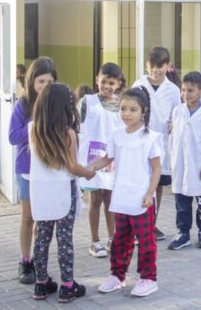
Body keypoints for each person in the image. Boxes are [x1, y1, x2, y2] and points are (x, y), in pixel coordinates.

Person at [29, 84, 96, 302]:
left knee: (41, 237)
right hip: (63, 192)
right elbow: (72, 166)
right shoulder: (67, 133)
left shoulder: (33, 129)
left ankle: (41, 283)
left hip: (39, 192)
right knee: (64, 238)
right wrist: (88, 172)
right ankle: (68, 285)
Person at [93, 87, 162, 298]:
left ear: (144, 111)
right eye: (123, 108)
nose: (127, 114)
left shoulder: (151, 137)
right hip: (121, 198)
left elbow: (157, 168)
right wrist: (88, 168)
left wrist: (150, 193)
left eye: (133, 109)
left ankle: (148, 278)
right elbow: (107, 158)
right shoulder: (116, 135)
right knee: (120, 239)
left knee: (145, 241)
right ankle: (117, 275)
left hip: (142, 200)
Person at [9, 56, 57, 284]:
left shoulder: (56, 104)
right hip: (27, 169)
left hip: (48, 170)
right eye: (41, 82)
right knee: (28, 217)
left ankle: (40, 261)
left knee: (43, 218)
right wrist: (34, 127)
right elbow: (12, 136)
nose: (44, 86)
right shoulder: (23, 104)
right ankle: (25, 260)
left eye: (49, 82)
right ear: (32, 82)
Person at [168, 72, 201, 250]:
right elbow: (172, 138)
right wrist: (170, 159)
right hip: (180, 164)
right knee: (181, 201)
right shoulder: (178, 112)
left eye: (190, 90)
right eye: (183, 90)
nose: (186, 94)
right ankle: (183, 232)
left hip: (199, 166)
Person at [133, 47, 180, 241]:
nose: (155, 71)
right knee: (140, 182)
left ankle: (152, 222)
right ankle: (137, 222)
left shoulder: (173, 90)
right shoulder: (139, 85)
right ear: (147, 66)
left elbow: (177, 114)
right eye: (152, 66)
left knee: (158, 183)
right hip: (141, 141)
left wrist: (173, 123)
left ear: (167, 66)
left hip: (161, 143)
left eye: (159, 66)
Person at [78, 63, 124, 258]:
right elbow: (76, 124)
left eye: (111, 83)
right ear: (97, 79)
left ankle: (112, 238)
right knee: (95, 198)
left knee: (110, 198)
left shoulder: (122, 103)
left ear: (118, 84)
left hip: (112, 157)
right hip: (93, 157)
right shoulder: (87, 101)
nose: (106, 86)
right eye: (103, 81)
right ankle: (95, 241)